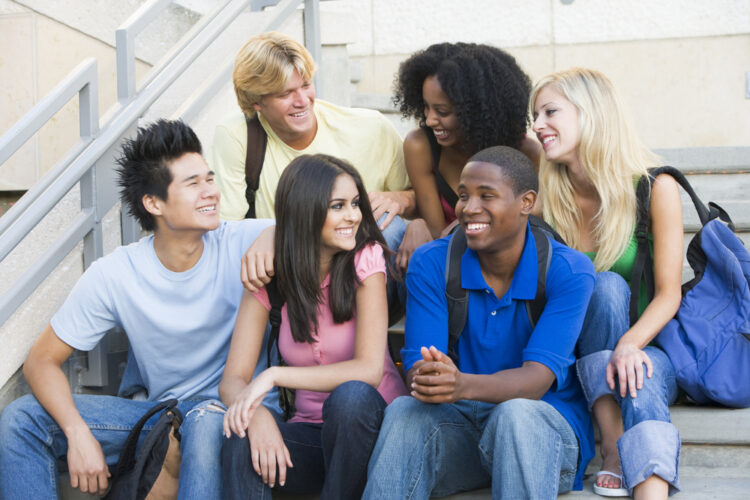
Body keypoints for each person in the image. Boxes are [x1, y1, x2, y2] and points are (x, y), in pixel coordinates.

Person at [0, 120, 274, 499]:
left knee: (204, 424)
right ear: (154, 203)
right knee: (21, 419)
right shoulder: (117, 274)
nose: (210, 191)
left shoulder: (245, 240)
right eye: (193, 184)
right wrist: (78, 433)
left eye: (209, 178)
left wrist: (278, 233)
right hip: (162, 418)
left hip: (232, 415)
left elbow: (323, 220)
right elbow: (40, 361)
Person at [363, 146, 595, 499]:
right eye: (463, 196)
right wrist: (429, 378)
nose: (469, 208)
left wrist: (459, 385)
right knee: (406, 411)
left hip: (542, 433)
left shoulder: (568, 271)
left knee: (516, 416)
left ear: (526, 202)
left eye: (486, 196)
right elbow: (420, 367)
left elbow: (535, 381)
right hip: (462, 430)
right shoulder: (431, 263)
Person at [531, 68, 683, 498]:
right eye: (535, 114)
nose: (538, 124)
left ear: (592, 113)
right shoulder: (545, 202)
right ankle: (613, 445)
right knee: (602, 288)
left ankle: (635, 475)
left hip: (648, 344)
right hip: (575, 361)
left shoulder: (655, 188)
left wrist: (630, 343)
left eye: (550, 111)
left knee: (643, 375)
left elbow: (670, 293)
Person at [220, 154, 407, 499]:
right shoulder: (271, 278)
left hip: (373, 433)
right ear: (305, 210)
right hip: (310, 435)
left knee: (349, 398)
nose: (353, 215)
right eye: (338, 206)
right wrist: (257, 415)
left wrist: (274, 376)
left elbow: (367, 371)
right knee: (240, 436)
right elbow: (232, 380)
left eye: (355, 203)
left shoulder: (365, 259)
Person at [210, 31, 415, 250]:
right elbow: (227, 228)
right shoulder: (237, 134)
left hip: (359, 256)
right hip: (288, 258)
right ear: (256, 102)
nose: (302, 101)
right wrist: (269, 234)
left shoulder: (372, 128)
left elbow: (425, 201)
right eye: (285, 94)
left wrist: (403, 200)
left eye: (306, 85)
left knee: (391, 228)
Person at [392, 42, 539, 270]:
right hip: (449, 264)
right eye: (425, 107)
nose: (430, 120)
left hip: (509, 267)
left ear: (477, 112)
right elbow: (436, 236)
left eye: (442, 112)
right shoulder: (420, 146)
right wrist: (416, 224)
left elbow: (531, 230)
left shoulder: (527, 153)